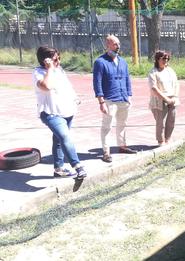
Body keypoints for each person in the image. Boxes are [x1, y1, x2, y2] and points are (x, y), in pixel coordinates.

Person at [33, 46, 87, 179]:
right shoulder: (38, 73)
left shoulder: (59, 70)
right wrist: (50, 69)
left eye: (59, 58)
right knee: (65, 137)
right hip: (50, 113)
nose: (59, 62)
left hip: (66, 110)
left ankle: (59, 168)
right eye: (55, 60)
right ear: (46, 60)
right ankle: (78, 166)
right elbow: (46, 86)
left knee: (58, 140)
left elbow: (66, 86)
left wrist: (75, 98)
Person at [93, 34, 137, 163]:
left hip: (123, 98)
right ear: (108, 45)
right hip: (109, 99)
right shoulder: (100, 62)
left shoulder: (122, 61)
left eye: (118, 44)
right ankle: (106, 152)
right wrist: (101, 101)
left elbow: (127, 79)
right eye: (115, 44)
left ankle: (122, 146)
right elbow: (97, 82)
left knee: (122, 123)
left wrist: (129, 95)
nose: (118, 46)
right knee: (107, 126)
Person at [148, 51, 180, 146]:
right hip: (159, 99)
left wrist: (174, 96)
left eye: (167, 59)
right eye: (163, 58)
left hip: (172, 98)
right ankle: (160, 141)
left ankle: (167, 139)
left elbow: (176, 84)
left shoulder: (170, 70)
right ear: (158, 59)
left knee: (171, 120)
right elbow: (154, 88)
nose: (166, 61)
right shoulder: (153, 72)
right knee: (160, 122)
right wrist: (166, 99)